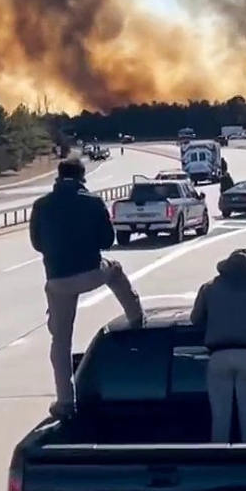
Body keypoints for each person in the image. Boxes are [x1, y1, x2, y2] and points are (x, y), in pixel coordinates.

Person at [30, 157, 144, 418]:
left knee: (60, 342)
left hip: (58, 280)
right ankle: (136, 316)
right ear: (82, 177)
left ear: (58, 177)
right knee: (114, 270)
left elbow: (37, 244)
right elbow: (107, 239)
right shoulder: (93, 202)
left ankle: (65, 402)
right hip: (92, 272)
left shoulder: (41, 205)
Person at [190, 248, 246, 443]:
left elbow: (195, 319)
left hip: (218, 356)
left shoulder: (209, 288)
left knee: (220, 419)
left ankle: (219, 463)